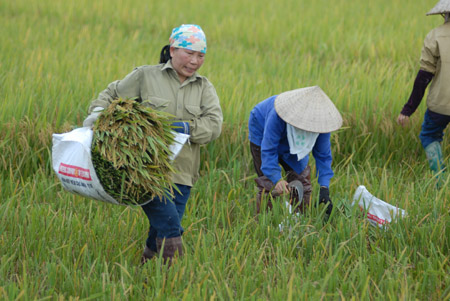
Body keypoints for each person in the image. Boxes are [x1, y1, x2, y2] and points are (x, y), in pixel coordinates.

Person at [83, 24, 223, 265]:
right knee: (171, 229)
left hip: (183, 173)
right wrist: (97, 116)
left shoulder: (204, 87)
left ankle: (146, 264)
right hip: (146, 171)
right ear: (172, 50)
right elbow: (110, 96)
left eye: (200, 55)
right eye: (189, 53)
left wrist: (188, 128)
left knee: (163, 226)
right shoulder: (146, 76)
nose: (195, 61)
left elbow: (214, 124)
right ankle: (173, 276)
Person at [247, 86, 342, 215]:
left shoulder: (321, 125)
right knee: (267, 184)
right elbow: (268, 150)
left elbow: (323, 156)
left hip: (297, 142)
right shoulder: (277, 115)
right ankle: (265, 222)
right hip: (261, 126)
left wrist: (324, 187)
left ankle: (300, 220)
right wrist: (277, 179)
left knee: (302, 183)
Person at [397, 0, 450, 187]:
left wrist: (407, 110)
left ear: (444, 14)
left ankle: (440, 182)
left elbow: (423, 77)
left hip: (441, 104)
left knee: (430, 135)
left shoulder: (435, 36)